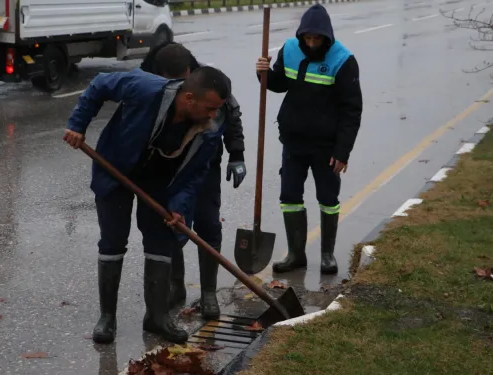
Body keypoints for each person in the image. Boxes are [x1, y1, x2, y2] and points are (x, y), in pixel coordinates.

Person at [63, 66, 232, 344]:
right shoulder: (144, 88)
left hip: (160, 184)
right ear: (189, 98)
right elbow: (100, 84)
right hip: (115, 170)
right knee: (113, 242)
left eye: (217, 109)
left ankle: (156, 317)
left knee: (161, 243)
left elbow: (194, 173)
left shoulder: (208, 129)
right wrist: (77, 124)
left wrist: (179, 205)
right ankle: (107, 318)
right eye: (209, 108)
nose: (214, 115)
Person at [140, 43, 246, 319]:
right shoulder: (150, 82)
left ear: (190, 70)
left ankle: (209, 292)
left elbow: (231, 114)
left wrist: (237, 153)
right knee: (172, 222)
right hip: (169, 167)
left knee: (208, 223)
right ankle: (176, 285)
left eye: (181, 77)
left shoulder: (208, 81)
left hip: (205, 164)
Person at [254, 4, 363, 274]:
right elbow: (279, 84)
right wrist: (263, 72)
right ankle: (296, 254)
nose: (312, 44)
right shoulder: (289, 49)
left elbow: (352, 110)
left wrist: (342, 152)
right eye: (307, 38)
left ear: (327, 37)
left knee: (328, 197)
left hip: (326, 146)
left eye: (317, 39)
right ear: (301, 34)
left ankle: (327, 254)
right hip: (293, 141)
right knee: (289, 195)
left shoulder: (343, 60)